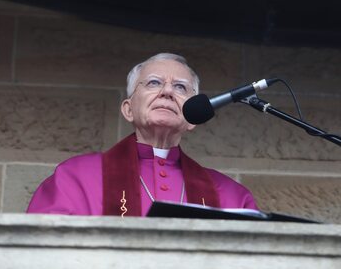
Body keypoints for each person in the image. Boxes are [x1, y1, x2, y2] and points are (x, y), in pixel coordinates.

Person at [27, 53, 258, 216]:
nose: (167, 91)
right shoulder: (74, 178)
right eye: (154, 82)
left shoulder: (232, 195)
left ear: (193, 120)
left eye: (180, 87)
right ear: (128, 109)